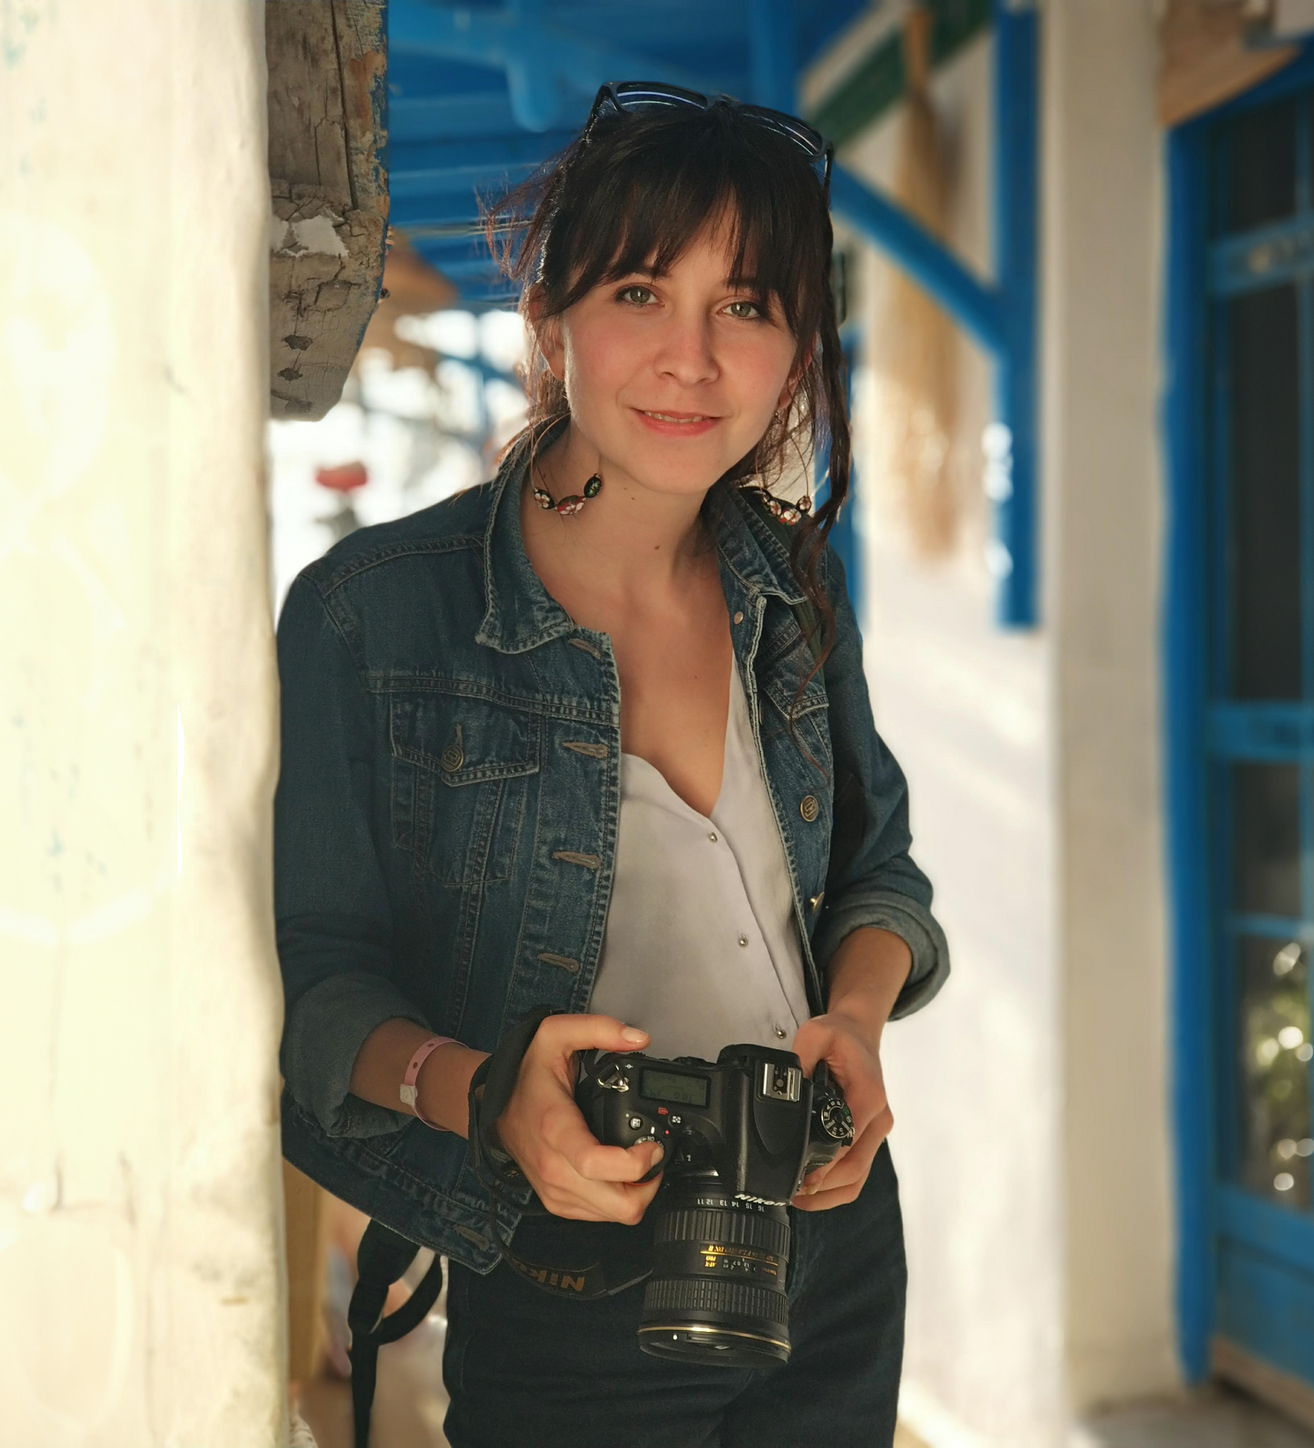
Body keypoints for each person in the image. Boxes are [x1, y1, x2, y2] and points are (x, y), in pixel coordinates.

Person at [275, 82, 949, 1448]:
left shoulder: (793, 594)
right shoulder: (375, 616)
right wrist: (491, 1101)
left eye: (748, 305)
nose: (693, 359)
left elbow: (879, 878)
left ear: (797, 350)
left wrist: (859, 1028)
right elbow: (316, 989)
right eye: (642, 290)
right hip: (568, 1273)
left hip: (828, 1243)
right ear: (550, 314)